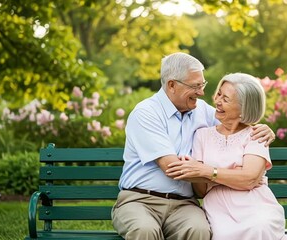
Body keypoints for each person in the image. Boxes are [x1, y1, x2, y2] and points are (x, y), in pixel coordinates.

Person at [111, 53, 275, 240]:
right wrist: (220, 172)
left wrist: (264, 129)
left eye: (202, 85)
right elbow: (172, 168)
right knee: (144, 230)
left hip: (183, 204)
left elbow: (236, 121)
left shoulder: (202, 110)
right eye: (195, 86)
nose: (201, 92)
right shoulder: (146, 113)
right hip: (140, 200)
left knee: (199, 230)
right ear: (172, 85)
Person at [166, 73, 287, 240]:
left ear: (244, 108)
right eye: (219, 94)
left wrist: (206, 171)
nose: (217, 101)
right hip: (218, 206)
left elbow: (248, 180)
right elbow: (201, 189)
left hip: (256, 203)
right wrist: (230, 173)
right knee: (224, 234)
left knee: (259, 226)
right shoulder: (202, 135)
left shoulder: (256, 135)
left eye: (225, 99)